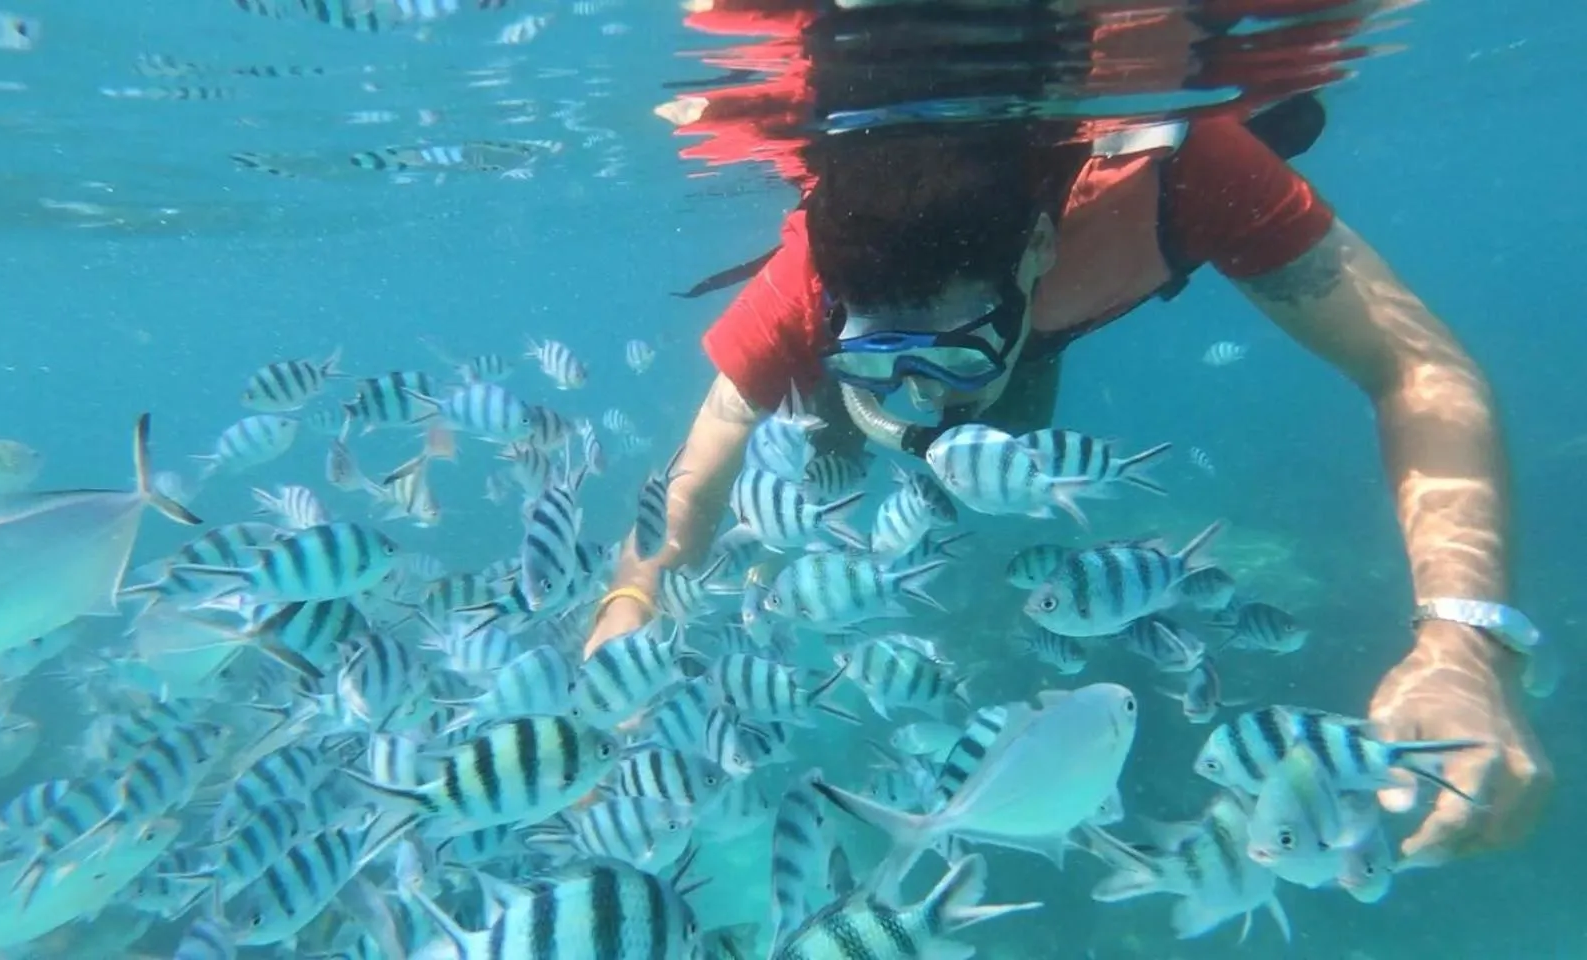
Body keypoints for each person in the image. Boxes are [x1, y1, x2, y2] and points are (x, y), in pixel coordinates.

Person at [589, 20, 1550, 869]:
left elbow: (1418, 367)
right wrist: (630, 604)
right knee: (889, 423)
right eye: (878, 361)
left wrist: (1467, 642)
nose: (925, 403)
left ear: (1044, 250)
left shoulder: (1179, 172)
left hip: (1049, 309)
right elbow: (691, 490)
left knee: (996, 438)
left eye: (952, 359)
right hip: (950, 328)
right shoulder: (804, 287)